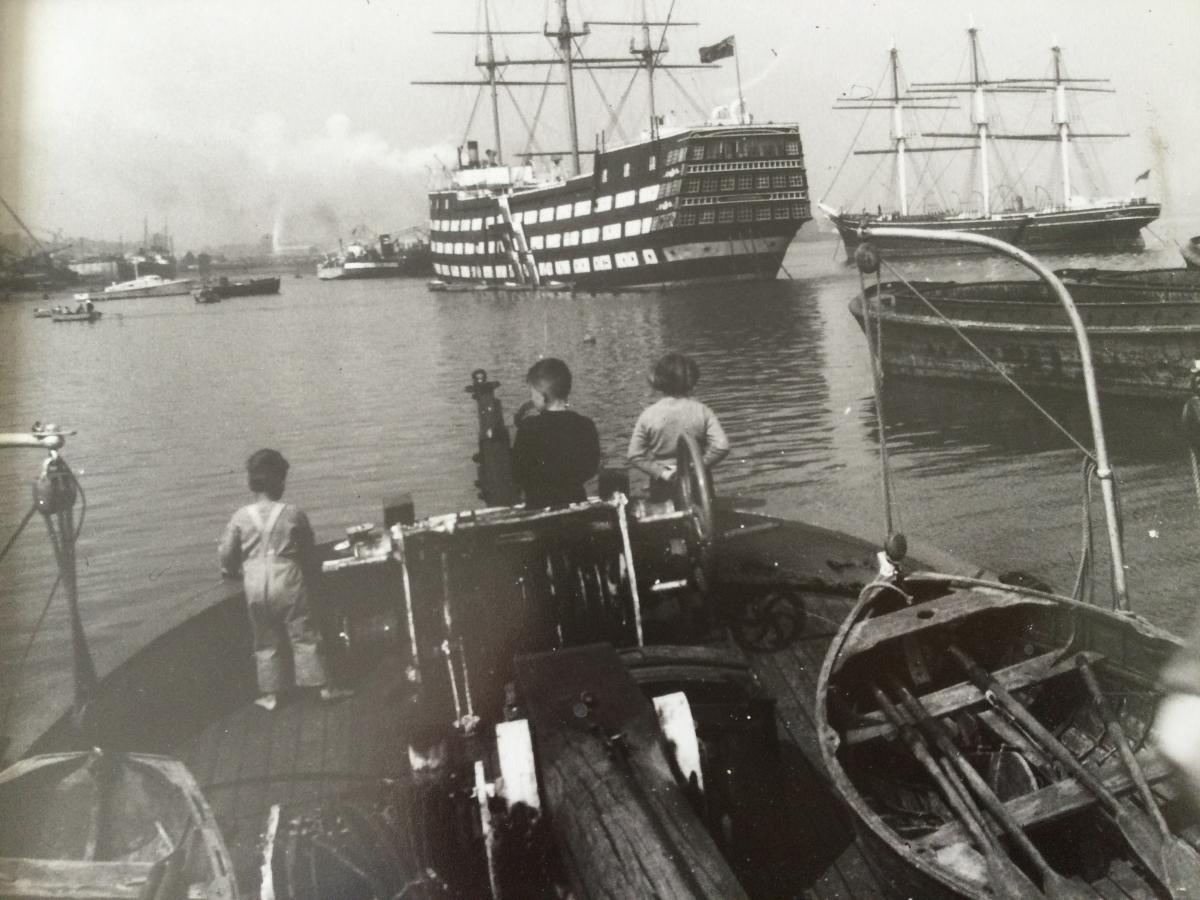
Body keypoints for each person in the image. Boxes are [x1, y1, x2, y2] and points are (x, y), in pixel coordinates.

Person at [219, 449, 350, 710]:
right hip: (287, 579)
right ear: (278, 481)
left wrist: (230, 571)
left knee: (265, 638)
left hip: (255, 583)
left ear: (251, 482)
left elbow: (227, 554)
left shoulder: (240, 517)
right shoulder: (292, 513)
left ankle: (271, 695)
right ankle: (323, 687)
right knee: (305, 633)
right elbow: (308, 551)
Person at [628, 352, 729, 503]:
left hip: (664, 483)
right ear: (692, 379)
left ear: (657, 379)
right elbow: (722, 446)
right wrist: (697, 466)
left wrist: (661, 472)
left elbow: (634, 455)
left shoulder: (648, 415)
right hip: (697, 483)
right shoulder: (701, 410)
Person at [510, 358, 600, 508]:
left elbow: (518, 474)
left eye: (532, 393)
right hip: (576, 503)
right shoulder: (586, 425)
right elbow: (590, 469)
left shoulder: (529, 427)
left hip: (538, 507)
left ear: (541, 395)